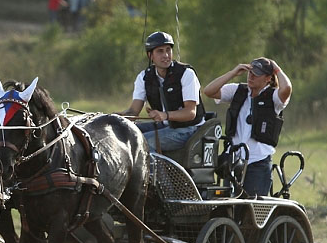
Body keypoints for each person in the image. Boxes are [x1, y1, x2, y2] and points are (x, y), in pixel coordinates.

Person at [203, 57, 292, 196]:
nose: (251, 76)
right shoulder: (238, 90)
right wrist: (233, 73)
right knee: (228, 206)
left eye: (256, 74)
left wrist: (277, 68)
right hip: (234, 161)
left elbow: (286, 89)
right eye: (250, 72)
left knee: (251, 209)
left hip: (258, 163)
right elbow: (209, 91)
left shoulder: (273, 97)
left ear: (268, 78)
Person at [119, 31, 206, 152]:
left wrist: (164, 115)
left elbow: (190, 113)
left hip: (190, 129)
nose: (166, 55)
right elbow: (133, 111)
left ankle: (158, 171)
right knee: (124, 133)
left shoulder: (186, 74)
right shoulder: (144, 77)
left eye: (168, 50)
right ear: (150, 55)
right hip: (166, 126)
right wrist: (115, 118)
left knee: (143, 141)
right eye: (160, 51)